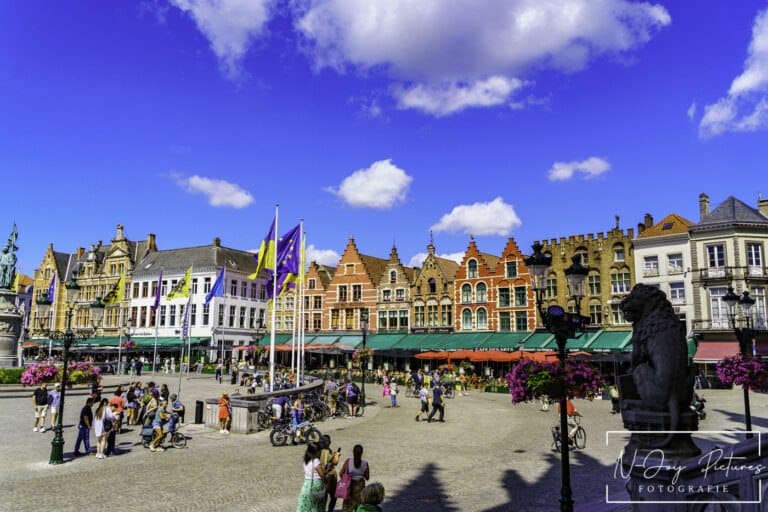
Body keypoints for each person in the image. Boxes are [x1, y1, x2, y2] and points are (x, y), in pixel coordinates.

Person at [296, 442, 328, 512]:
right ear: (316, 452)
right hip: (315, 484)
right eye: (319, 451)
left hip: (306, 484)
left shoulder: (305, 460)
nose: (320, 453)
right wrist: (328, 470)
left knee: (307, 506)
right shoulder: (316, 461)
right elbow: (322, 474)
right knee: (316, 505)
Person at [340, 444, 369, 512]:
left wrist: (346, 480)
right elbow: (367, 477)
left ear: (353, 452)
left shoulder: (348, 461)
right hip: (360, 488)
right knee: (359, 507)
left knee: (347, 508)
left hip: (350, 487)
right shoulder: (365, 463)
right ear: (362, 453)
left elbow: (341, 473)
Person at [319, 435, 340, 512]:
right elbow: (334, 463)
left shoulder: (319, 451)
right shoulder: (326, 451)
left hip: (323, 477)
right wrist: (336, 456)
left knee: (325, 497)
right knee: (332, 497)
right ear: (328, 443)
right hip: (329, 477)